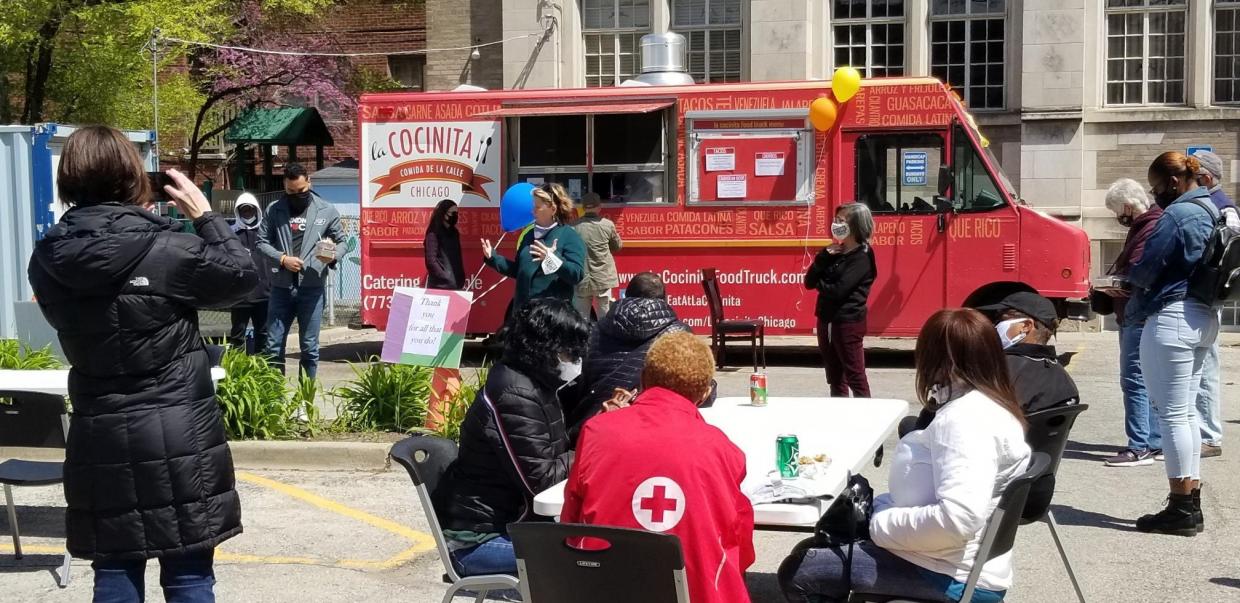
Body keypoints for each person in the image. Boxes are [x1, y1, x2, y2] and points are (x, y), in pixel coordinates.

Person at [28, 126, 258, 602]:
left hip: (101, 432)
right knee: (189, 573)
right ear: (134, 178)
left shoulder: (50, 257)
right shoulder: (170, 248)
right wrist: (206, 218)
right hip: (180, 431)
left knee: (114, 571)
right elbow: (245, 282)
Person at [779, 308, 1031, 603]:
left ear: (936, 360)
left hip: (948, 573)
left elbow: (959, 520)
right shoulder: (993, 404)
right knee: (812, 547)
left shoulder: (964, 421)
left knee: (798, 572)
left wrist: (878, 524)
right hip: (956, 561)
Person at [561, 331, 755, 603]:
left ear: (642, 379)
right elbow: (737, 541)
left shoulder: (596, 431)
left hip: (606, 589)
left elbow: (571, 522)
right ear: (704, 393)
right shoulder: (723, 450)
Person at [434, 298, 588, 575]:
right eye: (569, 352)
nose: (575, 361)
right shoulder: (515, 395)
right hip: (479, 541)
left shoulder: (535, 383)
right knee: (586, 559)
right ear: (548, 348)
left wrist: (597, 425)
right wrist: (591, 449)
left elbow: (551, 449)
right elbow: (542, 482)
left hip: (514, 523)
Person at [1128, 151, 1220, 536]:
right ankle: (1190, 502)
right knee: (1185, 414)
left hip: (1172, 317)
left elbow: (1147, 268)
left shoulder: (1179, 215)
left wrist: (1126, 285)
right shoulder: (1214, 210)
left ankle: (1181, 507)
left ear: (1172, 182)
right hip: (1201, 315)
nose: (1155, 195)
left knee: (1173, 415)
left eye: (1155, 187)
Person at [564, 271, 699, 445]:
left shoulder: (594, 331)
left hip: (591, 429)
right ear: (665, 299)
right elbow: (696, 390)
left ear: (626, 296)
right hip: (654, 432)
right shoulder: (680, 335)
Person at [256, 163, 346, 380]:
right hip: (281, 288)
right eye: (291, 192)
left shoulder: (326, 209)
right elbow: (261, 242)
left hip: (312, 288)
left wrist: (332, 255)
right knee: (273, 345)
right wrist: (282, 258)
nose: (297, 195)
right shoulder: (274, 209)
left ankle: (304, 404)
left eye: (301, 191)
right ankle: (274, 401)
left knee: (309, 347)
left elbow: (342, 242)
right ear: (284, 187)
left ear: (309, 182)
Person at [1101, 178, 1164, 467]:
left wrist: (1113, 284)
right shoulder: (1149, 225)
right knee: (1147, 380)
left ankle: (1139, 446)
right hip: (1139, 312)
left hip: (1136, 313)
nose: (1118, 217)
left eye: (1117, 210)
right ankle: (1153, 442)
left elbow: (1139, 272)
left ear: (1127, 206)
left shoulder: (1147, 227)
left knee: (1134, 380)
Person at [805, 202, 877, 397]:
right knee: (835, 377)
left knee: (855, 377)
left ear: (855, 225)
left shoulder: (862, 257)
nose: (836, 224)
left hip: (847, 323)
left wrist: (821, 284)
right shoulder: (834, 251)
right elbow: (809, 281)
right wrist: (822, 258)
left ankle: (866, 416)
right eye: (835, 220)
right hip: (826, 320)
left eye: (841, 221)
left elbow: (838, 290)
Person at [1190, 150, 1235, 458]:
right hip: (1205, 296)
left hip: (1207, 298)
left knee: (1205, 366)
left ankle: (1209, 435)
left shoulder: (1223, 209)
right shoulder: (1219, 206)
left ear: (1204, 179)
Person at [481, 182, 586, 313]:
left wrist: (552, 259)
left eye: (538, 207)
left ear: (553, 209)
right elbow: (519, 270)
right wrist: (493, 258)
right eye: (533, 206)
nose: (532, 211)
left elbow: (576, 274)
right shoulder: (529, 235)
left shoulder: (568, 235)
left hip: (551, 315)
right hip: (524, 312)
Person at [977, 291, 1080, 413]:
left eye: (1000, 319)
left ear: (1026, 326)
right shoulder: (1061, 374)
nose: (995, 325)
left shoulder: (999, 368)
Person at [228, 193, 272, 354]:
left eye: (250, 210)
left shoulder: (265, 232)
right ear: (238, 211)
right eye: (244, 210)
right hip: (240, 295)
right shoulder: (231, 233)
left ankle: (262, 368)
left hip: (264, 293)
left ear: (257, 211)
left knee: (264, 333)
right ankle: (238, 368)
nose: (247, 213)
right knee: (237, 335)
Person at [571, 192, 622, 319]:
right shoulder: (607, 225)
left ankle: (583, 339)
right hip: (603, 279)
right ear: (599, 207)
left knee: (581, 320)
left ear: (583, 208)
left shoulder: (573, 226)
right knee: (605, 318)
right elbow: (617, 246)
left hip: (582, 278)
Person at [424, 199, 466, 290]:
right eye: (452, 213)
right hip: (440, 286)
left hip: (457, 284)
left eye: (456, 213)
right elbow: (431, 261)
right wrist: (445, 277)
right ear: (443, 213)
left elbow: (458, 257)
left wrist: (461, 277)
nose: (455, 216)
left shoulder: (455, 233)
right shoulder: (433, 233)